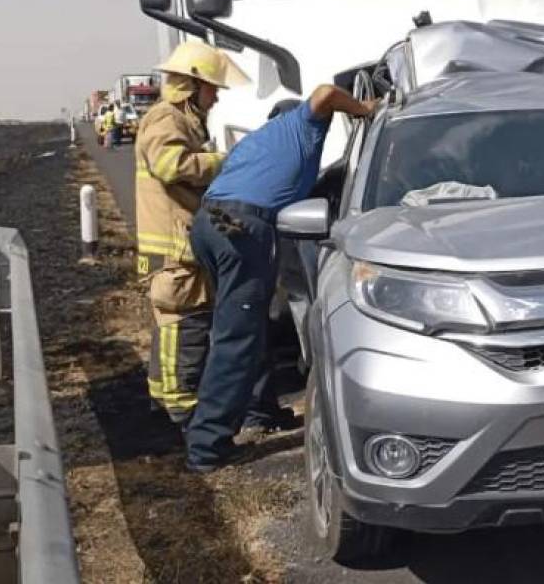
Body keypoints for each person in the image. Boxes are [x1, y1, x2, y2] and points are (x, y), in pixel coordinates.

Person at [184, 84, 378, 473]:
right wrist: (362, 108)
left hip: (209, 224)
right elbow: (324, 95)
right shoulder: (303, 124)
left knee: (246, 324)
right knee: (235, 337)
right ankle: (206, 447)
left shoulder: (258, 142)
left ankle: (260, 412)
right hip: (242, 230)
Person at [134, 40, 250, 428]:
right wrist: (225, 162)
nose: (215, 96)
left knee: (171, 328)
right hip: (173, 251)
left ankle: (161, 409)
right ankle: (185, 415)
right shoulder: (166, 119)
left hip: (172, 248)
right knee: (186, 327)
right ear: (192, 85)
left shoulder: (179, 120)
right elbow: (171, 165)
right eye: (212, 88)